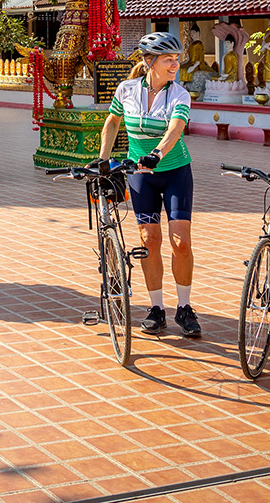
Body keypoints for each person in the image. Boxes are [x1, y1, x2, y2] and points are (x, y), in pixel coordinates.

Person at [97, 31, 199, 338]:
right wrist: (103, 161)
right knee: (149, 240)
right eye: (168, 60)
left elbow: (175, 129)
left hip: (174, 171)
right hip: (141, 176)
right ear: (149, 62)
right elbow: (113, 122)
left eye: (176, 59)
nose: (174, 65)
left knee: (180, 241)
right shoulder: (127, 90)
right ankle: (157, 308)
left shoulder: (179, 94)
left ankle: (184, 307)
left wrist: (157, 153)